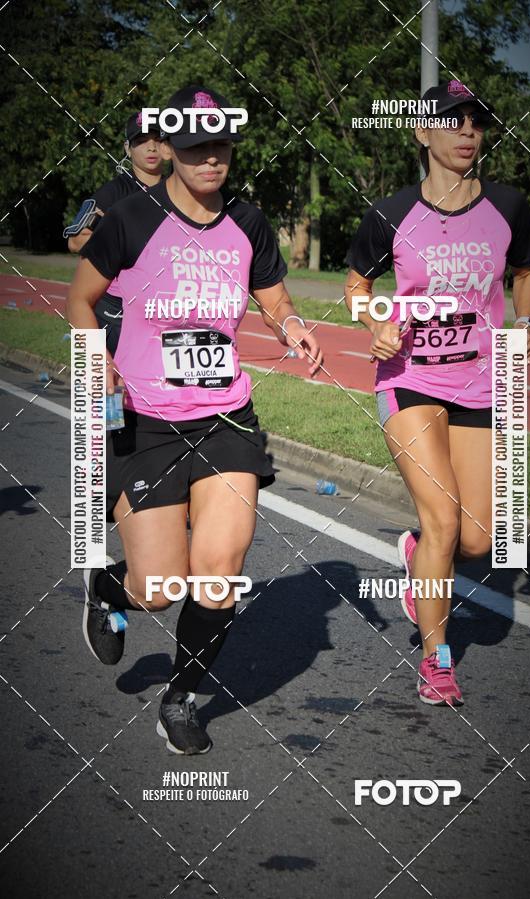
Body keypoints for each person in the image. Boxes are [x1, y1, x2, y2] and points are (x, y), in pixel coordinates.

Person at [66, 84, 323, 754]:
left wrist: (291, 322)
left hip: (225, 417)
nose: (212, 159)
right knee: (159, 587)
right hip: (146, 421)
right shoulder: (131, 218)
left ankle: (180, 698)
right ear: (172, 151)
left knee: (219, 569)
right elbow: (80, 300)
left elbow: (271, 293)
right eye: (196, 147)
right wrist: (98, 359)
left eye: (221, 145)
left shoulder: (247, 219)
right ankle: (107, 587)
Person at [345, 80, 530, 707]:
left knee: (481, 541)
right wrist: (376, 320)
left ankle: (415, 557)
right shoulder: (391, 213)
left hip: (483, 381)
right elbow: (355, 285)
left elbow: (529, 272)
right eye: (452, 122)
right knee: (443, 522)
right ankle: (438, 661)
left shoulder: (508, 206)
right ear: (421, 132)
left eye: (477, 124)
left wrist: (526, 321)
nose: (468, 133)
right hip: (409, 379)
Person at [64, 112, 164, 354]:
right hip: (107, 306)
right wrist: (123, 243)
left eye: (158, 139)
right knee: (92, 382)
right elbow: (75, 241)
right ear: (127, 148)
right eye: (141, 141)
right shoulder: (112, 193)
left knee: (151, 387)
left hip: (160, 308)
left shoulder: (181, 192)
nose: (151, 147)